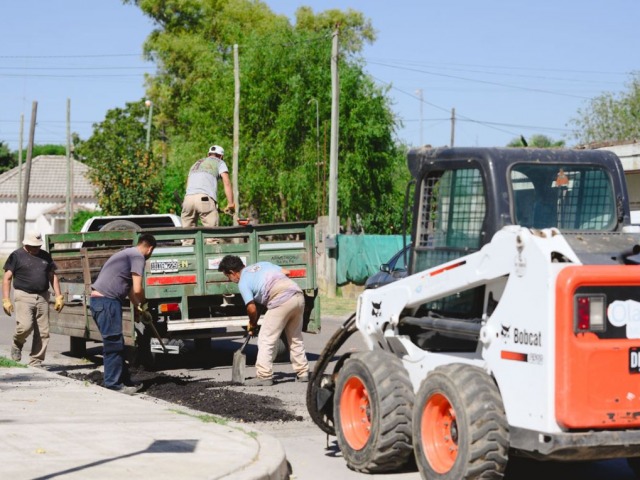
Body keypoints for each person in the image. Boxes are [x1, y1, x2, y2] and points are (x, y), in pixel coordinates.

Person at [218, 255, 309, 386]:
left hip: (280, 299)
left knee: (266, 338)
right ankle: (303, 373)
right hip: (297, 295)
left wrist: (252, 324)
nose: (230, 280)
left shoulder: (243, 282)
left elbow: (251, 309)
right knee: (295, 338)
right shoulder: (262, 265)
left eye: (228, 276)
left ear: (233, 272)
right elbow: (286, 272)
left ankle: (264, 376)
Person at [89, 234, 156, 395]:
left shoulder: (126, 253)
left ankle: (124, 380)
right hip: (107, 302)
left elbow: (130, 291)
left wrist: (139, 309)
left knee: (117, 342)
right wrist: (145, 304)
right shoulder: (138, 257)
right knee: (113, 343)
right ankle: (113, 384)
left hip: (100, 301)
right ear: (150, 249)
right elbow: (138, 289)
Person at [2, 231, 64, 367]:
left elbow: (52, 276)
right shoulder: (16, 256)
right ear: (26, 244)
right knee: (25, 327)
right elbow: (7, 278)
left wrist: (59, 295)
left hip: (43, 295)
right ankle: (17, 343)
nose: (37, 249)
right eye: (34, 246)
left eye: (38, 246)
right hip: (23, 295)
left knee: (43, 332)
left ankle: (35, 362)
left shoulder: (45, 256)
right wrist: (6, 299)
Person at [181, 144, 235, 228]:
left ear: (208, 155)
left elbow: (188, 185)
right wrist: (231, 204)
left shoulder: (196, 164)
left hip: (188, 200)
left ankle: (187, 241)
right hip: (205, 198)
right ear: (221, 156)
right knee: (211, 237)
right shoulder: (220, 162)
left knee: (187, 237)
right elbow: (227, 182)